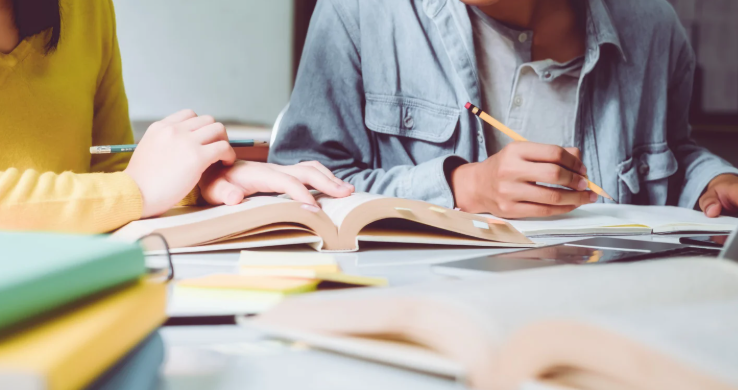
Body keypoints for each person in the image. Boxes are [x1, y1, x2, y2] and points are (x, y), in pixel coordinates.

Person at [0, 0, 353, 233]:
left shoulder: (85, 8)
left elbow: (107, 173)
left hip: (67, 299)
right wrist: (133, 190)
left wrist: (196, 185)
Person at [270, 0, 738, 219]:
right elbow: (294, 185)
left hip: (607, 321)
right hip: (424, 318)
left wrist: (709, 182)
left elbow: (672, 151)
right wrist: (462, 187)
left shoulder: (653, 25)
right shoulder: (360, 13)